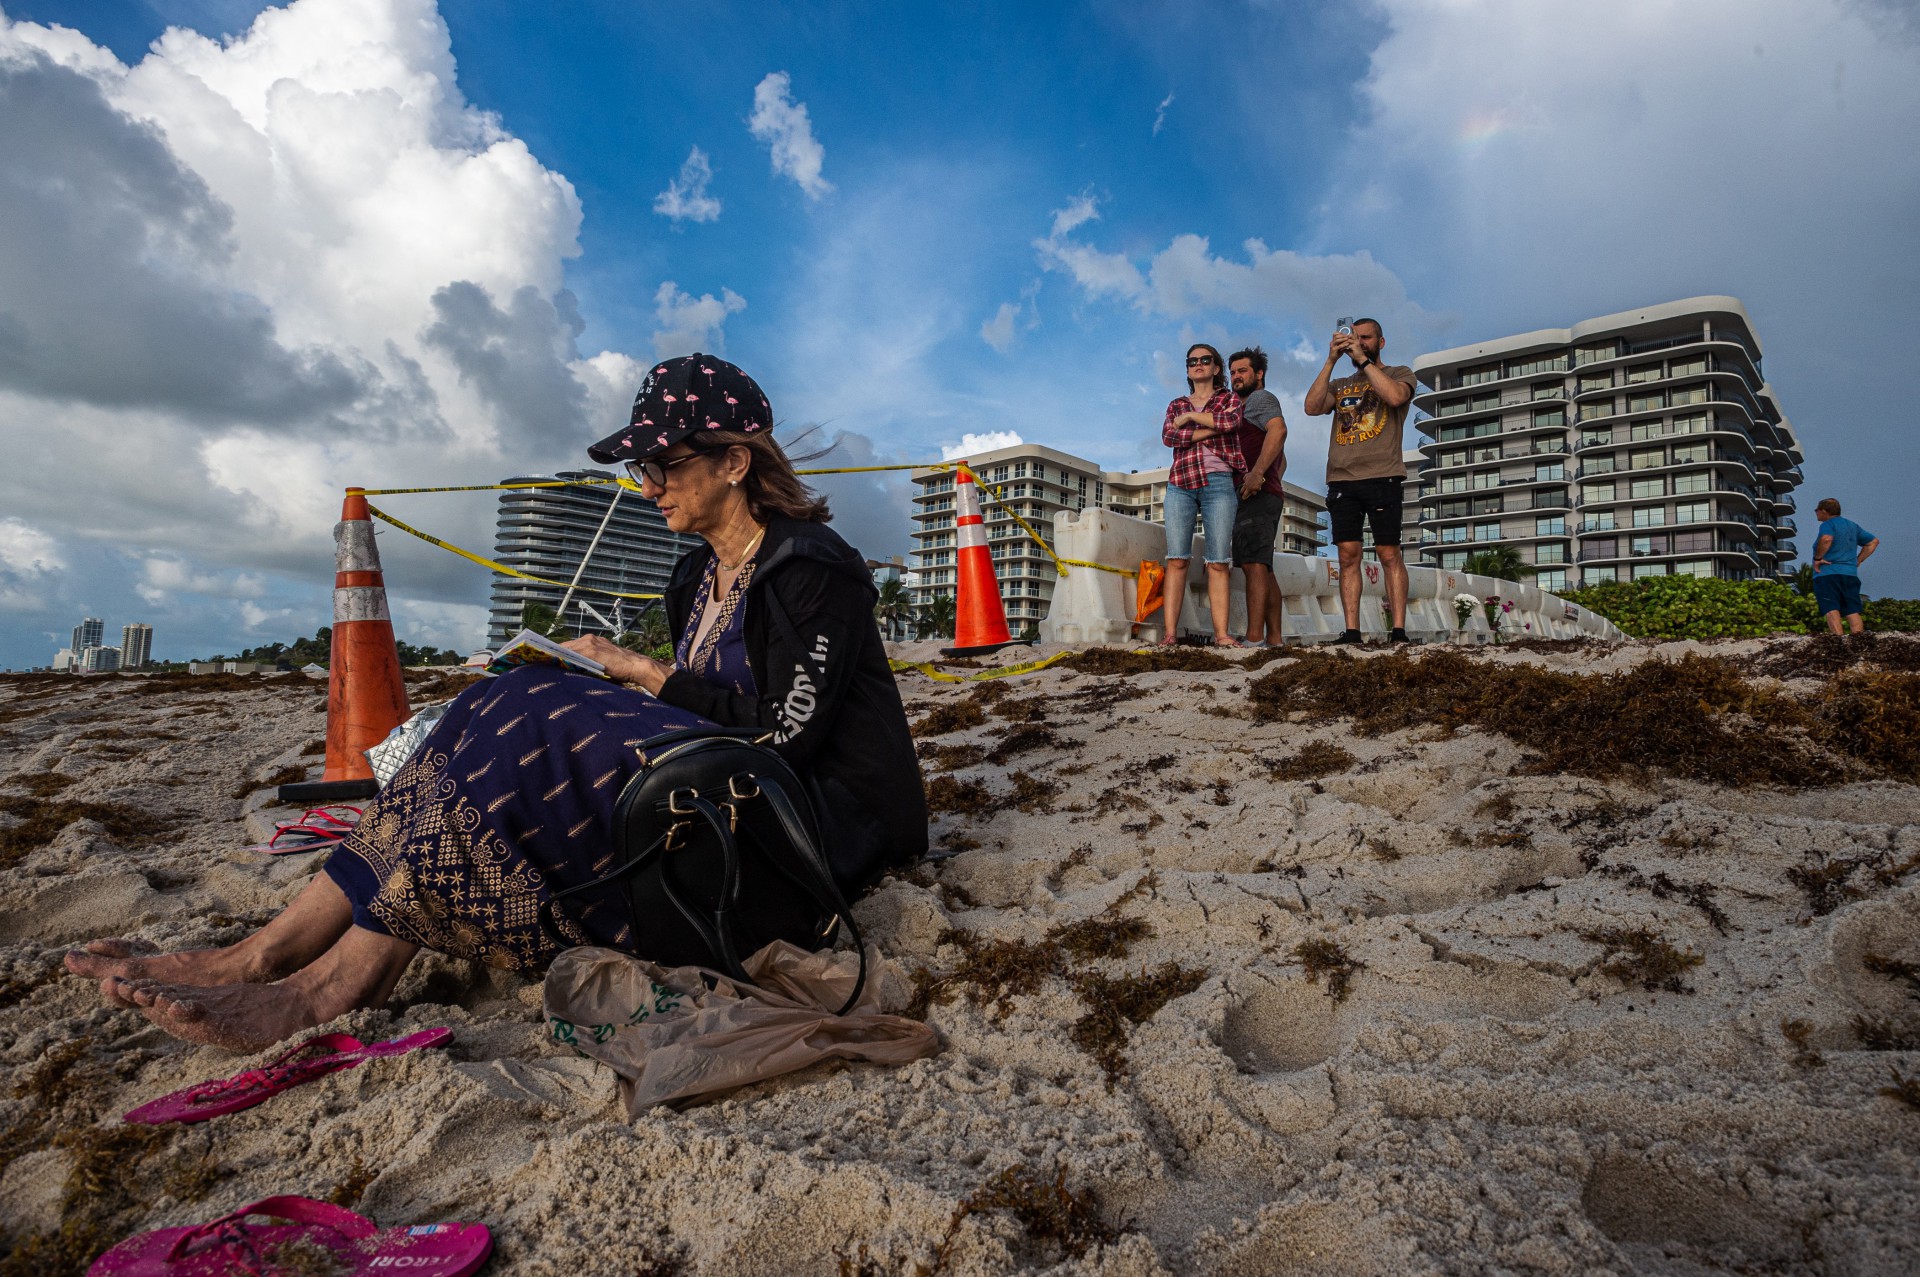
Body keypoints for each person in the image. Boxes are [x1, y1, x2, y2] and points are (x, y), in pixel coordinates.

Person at [67, 354, 927, 1051]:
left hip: (803, 839)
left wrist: (636, 670)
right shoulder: (696, 574)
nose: (647, 484)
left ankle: (322, 988)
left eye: (663, 464)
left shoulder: (812, 567)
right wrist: (603, 683)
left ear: (735, 462)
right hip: (711, 799)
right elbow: (708, 712)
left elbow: (787, 734)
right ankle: (266, 952)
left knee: (525, 720)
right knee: (492, 707)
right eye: (641, 467)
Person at [1303, 317, 1416, 645]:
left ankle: (1398, 631)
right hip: (1342, 479)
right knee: (1347, 554)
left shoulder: (1399, 373)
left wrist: (1364, 361)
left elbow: (1395, 398)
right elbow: (1311, 407)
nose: (1359, 342)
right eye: (1355, 337)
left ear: (1381, 342)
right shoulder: (1340, 384)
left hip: (1383, 475)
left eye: (1366, 338)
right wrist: (1330, 360)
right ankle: (1352, 631)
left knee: (1388, 552)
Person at [1160, 342, 1246, 645]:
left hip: (1219, 482)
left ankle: (1221, 634)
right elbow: (1170, 436)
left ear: (1215, 367)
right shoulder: (1176, 405)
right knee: (1177, 558)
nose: (1198, 364)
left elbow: (1232, 421)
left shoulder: (1228, 398)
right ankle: (1170, 634)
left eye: (1205, 360)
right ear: (1187, 369)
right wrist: (1208, 426)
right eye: (1192, 361)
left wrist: (1192, 420)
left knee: (1219, 560)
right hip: (1180, 484)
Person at [1228, 346, 1290, 646]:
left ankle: (1254, 638)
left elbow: (1279, 432)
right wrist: (1272, 475)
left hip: (1257, 492)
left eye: (1242, 370)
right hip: (1265, 492)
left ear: (1259, 373)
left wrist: (1257, 474)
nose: (1236, 376)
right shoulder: (1240, 408)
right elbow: (1284, 459)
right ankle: (1275, 639)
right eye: (1233, 372)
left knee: (1254, 564)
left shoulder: (1259, 399)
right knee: (1263, 566)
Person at [1811, 497, 1880, 636]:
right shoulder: (1852, 526)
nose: (1816, 513)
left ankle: (1838, 641)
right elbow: (1873, 541)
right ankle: (1858, 641)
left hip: (1828, 574)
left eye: (1816, 510)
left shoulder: (1828, 524)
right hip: (1850, 574)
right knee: (1851, 609)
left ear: (1824, 511)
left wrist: (1818, 559)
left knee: (1831, 606)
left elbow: (1826, 539)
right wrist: (1858, 560)